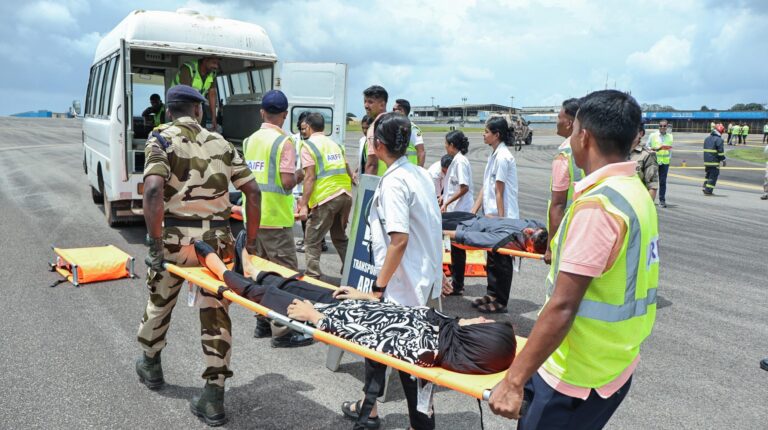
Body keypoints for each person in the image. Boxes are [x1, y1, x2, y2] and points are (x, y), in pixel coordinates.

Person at [489, 89, 659, 430]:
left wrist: (513, 380)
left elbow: (563, 306)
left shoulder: (600, 206)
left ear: (585, 136)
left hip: (574, 377)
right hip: (614, 363)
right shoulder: (635, 191)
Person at [193, 239, 517, 375]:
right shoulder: (449, 326)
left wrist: (317, 319)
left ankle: (222, 271)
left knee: (261, 295)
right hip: (350, 305)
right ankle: (250, 267)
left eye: (483, 324)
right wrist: (366, 298)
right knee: (292, 283)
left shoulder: (427, 352)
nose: (478, 317)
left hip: (331, 317)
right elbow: (400, 312)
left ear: (478, 342)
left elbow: (372, 343)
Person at [136, 85, 262, 427]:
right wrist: (249, 242)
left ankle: (150, 363)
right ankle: (213, 396)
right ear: (198, 110)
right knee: (216, 312)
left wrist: (154, 242)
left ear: (169, 112)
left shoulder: (160, 139)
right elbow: (252, 191)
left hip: (175, 242)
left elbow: (152, 190)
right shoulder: (221, 143)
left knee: (160, 301)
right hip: (216, 244)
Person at [345, 112, 444, 430]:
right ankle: (369, 409)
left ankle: (418, 423)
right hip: (420, 281)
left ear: (378, 145)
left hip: (401, 288)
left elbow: (398, 240)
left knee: (410, 366)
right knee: (378, 350)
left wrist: (378, 287)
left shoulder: (393, 183)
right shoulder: (419, 174)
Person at [241, 89, 306, 345]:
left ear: (262, 113)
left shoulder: (249, 141)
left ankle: (262, 322)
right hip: (277, 220)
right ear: (285, 115)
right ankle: (283, 330)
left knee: (260, 274)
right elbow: (288, 182)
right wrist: (301, 175)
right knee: (284, 275)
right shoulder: (284, 142)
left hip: (253, 220)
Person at [470, 117, 519, 314]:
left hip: (502, 216)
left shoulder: (503, 157)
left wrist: (501, 220)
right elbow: (486, 187)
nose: (484, 134)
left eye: (486, 131)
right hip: (490, 214)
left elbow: (500, 190)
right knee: (491, 256)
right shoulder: (494, 155)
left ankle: (501, 301)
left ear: (496, 134)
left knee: (503, 260)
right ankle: (491, 293)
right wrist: (474, 210)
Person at [297, 112, 355, 278]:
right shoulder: (334, 144)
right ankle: (350, 270)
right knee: (339, 236)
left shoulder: (308, 145)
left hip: (327, 197)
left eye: (303, 128)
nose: (302, 131)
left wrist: (304, 204)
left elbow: (310, 177)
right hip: (345, 195)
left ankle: (312, 275)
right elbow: (346, 167)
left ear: (307, 127)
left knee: (312, 238)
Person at [545, 98, 583, 265]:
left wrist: (550, 246)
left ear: (569, 123)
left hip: (567, 232)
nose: (556, 121)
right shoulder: (591, 148)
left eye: (559, 117)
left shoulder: (564, 155)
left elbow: (558, 204)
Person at [441, 130, 474, 296]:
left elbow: (464, 187)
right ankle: (457, 282)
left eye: (447, 144)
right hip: (456, 209)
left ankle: (458, 284)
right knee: (455, 249)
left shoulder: (460, 162)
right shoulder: (457, 161)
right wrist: (444, 197)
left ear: (452, 145)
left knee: (458, 249)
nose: (445, 147)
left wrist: (447, 201)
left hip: (460, 212)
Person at [172, 56, 220, 130]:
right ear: (205, 60)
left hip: (198, 103)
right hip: (179, 103)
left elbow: (212, 94)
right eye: (214, 63)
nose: (216, 66)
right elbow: (186, 92)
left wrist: (214, 118)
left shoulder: (212, 73)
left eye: (217, 63)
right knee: (183, 130)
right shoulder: (188, 68)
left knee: (200, 130)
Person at [363, 85, 389, 176]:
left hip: (380, 181)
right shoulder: (396, 122)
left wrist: (366, 189)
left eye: (370, 102)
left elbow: (372, 165)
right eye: (365, 101)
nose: (366, 105)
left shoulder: (375, 127)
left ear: (382, 104)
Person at [393, 98, 426, 166]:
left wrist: (419, 171)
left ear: (403, 111)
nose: (393, 111)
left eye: (396, 109)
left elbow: (421, 152)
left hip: (411, 170)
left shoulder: (413, 129)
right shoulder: (394, 127)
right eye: (393, 109)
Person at [629, 124, 659, 200]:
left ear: (641, 133)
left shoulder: (647, 155)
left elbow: (652, 187)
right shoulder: (618, 153)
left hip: (637, 202)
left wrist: (647, 209)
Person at [649, 119, 673, 207]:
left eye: (664, 126)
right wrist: (656, 149)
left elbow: (670, 150)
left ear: (667, 127)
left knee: (663, 182)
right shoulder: (653, 135)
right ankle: (649, 200)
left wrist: (669, 159)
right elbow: (647, 146)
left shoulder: (670, 136)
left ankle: (662, 200)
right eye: (661, 126)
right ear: (658, 126)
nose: (662, 127)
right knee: (651, 181)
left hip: (665, 163)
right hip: (654, 162)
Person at [703, 124, 726, 196]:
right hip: (714, 161)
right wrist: (723, 159)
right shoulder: (719, 140)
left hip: (706, 161)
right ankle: (708, 191)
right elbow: (720, 152)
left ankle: (705, 187)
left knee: (708, 175)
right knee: (713, 176)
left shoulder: (707, 138)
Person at [354, 115, 372, 181]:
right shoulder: (362, 140)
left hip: (371, 177)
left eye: (367, 128)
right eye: (363, 128)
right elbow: (362, 160)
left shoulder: (376, 141)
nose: (364, 131)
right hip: (362, 177)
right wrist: (355, 172)